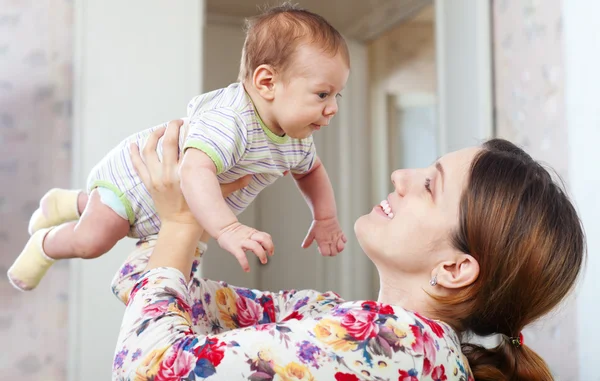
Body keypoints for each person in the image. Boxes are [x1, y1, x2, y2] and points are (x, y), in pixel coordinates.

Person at [111, 121, 584, 381]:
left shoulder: (392, 341)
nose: (401, 177)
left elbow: (146, 370)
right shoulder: (334, 317)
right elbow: (148, 292)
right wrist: (209, 208)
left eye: (428, 186)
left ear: (456, 267)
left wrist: (180, 223)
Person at [7, 3, 350, 292]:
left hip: (170, 206)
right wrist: (228, 228)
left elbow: (312, 172)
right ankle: (46, 243)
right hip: (136, 184)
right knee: (93, 240)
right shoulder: (231, 120)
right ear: (267, 82)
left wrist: (326, 217)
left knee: (150, 249)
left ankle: (68, 202)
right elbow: (193, 169)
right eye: (323, 94)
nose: (333, 107)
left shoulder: (298, 142)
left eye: (337, 95)